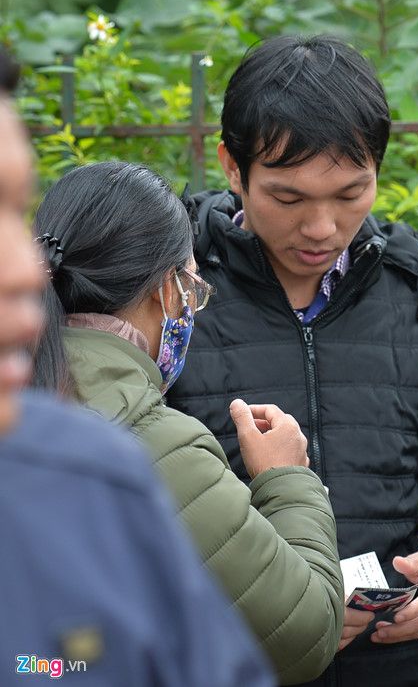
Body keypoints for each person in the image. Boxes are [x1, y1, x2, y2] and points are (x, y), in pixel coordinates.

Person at [166, 35, 418, 686]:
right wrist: (264, 607)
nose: (321, 227)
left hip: (400, 666)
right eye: (288, 198)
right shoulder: (168, 297)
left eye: (350, 193)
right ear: (233, 168)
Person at [0, 49, 274, 686]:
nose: (19, 272)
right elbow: (302, 629)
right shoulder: (139, 452)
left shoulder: (91, 470)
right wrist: (288, 483)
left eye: (15, 212)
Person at [32, 160, 344, 685]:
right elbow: (304, 635)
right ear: (165, 291)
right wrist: (286, 479)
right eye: (193, 288)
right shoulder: (152, 443)